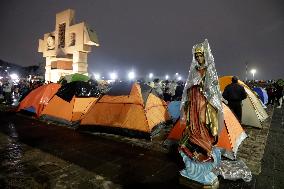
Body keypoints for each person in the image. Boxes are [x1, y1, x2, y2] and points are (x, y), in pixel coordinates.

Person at [178, 39, 223, 184]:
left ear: (205, 55)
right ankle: (195, 148)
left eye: (200, 55)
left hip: (204, 102)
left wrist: (205, 86)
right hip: (194, 101)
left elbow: (214, 88)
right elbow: (188, 87)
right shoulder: (194, 71)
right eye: (196, 56)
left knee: (204, 122)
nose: (198, 58)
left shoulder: (210, 69)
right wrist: (192, 87)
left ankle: (204, 146)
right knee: (194, 124)